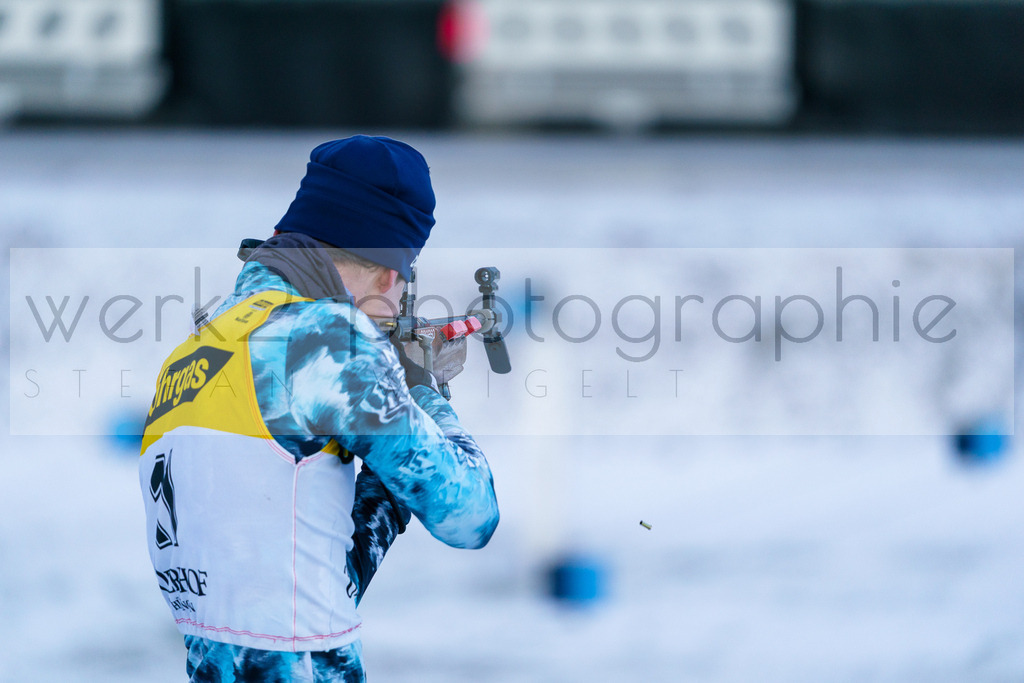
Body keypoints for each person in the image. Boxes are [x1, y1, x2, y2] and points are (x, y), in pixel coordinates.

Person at [139, 135, 500, 682]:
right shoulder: (325, 339)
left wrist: (387, 470)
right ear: (391, 276)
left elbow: (317, 579)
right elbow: (471, 516)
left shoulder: (195, 351)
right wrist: (423, 392)